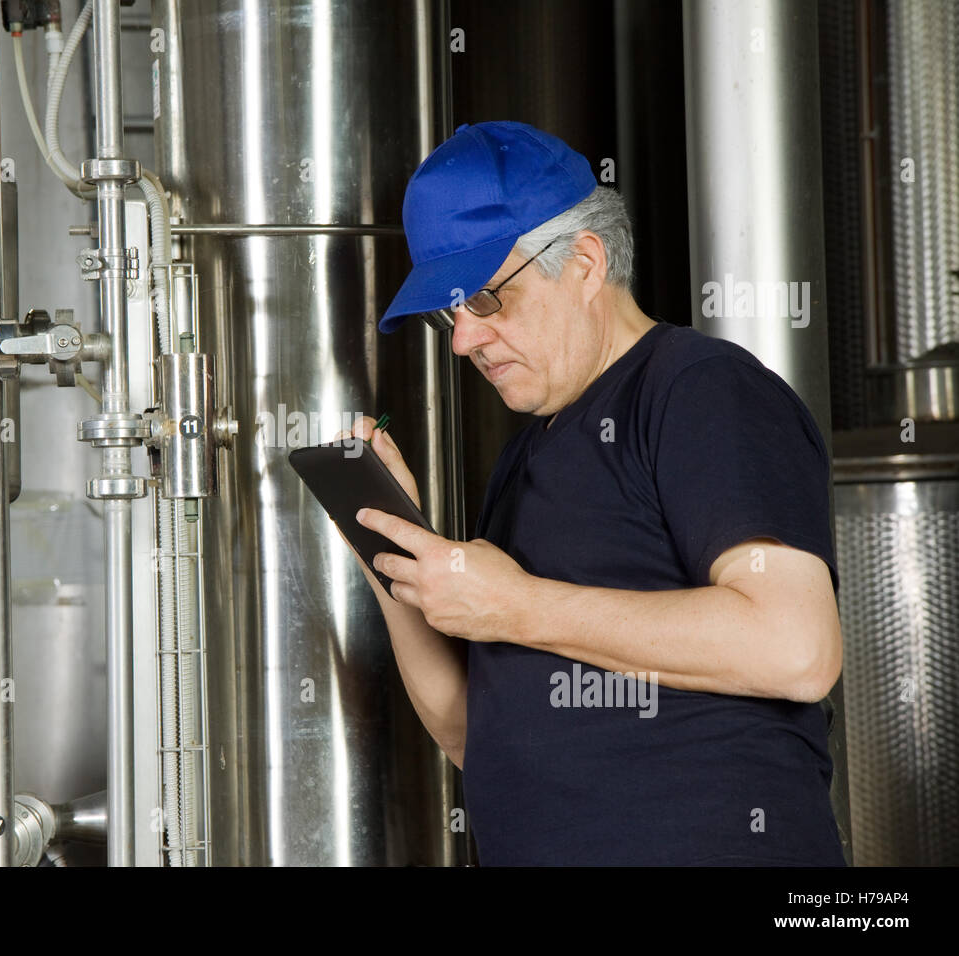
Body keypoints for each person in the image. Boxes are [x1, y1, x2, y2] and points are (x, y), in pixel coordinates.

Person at [351, 120, 845, 865]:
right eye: (447, 313)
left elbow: (795, 647)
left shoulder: (700, 390)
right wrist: (389, 554)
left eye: (484, 300)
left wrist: (518, 604)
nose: (461, 340)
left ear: (584, 263)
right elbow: (467, 735)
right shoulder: (529, 455)